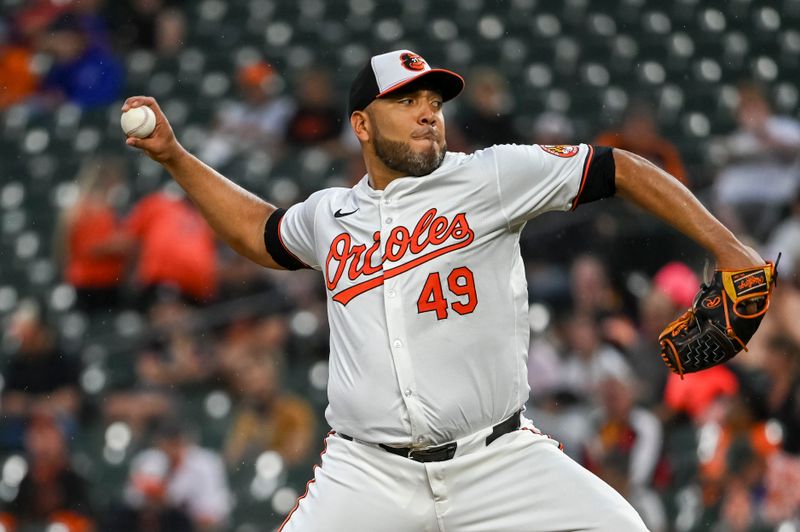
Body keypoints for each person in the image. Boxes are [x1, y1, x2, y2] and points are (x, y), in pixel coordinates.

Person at [122, 49, 765, 531]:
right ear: (362, 125)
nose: (428, 112)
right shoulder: (330, 213)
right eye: (406, 101)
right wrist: (176, 156)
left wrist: (730, 249)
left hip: (499, 460)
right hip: (368, 473)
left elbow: (618, 167)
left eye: (433, 101)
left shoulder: (489, 177)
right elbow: (261, 233)